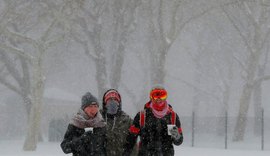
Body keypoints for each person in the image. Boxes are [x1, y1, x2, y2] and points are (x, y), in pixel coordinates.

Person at [123, 86, 183, 156]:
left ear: (166, 97)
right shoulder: (142, 116)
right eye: (155, 96)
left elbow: (178, 142)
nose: (159, 99)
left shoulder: (171, 117)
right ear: (151, 98)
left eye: (162, 96)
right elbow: (131, 140)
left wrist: (176, 135)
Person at [101, 89, 136, 156]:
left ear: (119, 103)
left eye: (115, 99)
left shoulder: (127, 121)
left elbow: (133, 144)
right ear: (105, 103)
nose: (112, 102)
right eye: (109, 99)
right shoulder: (98, 119)